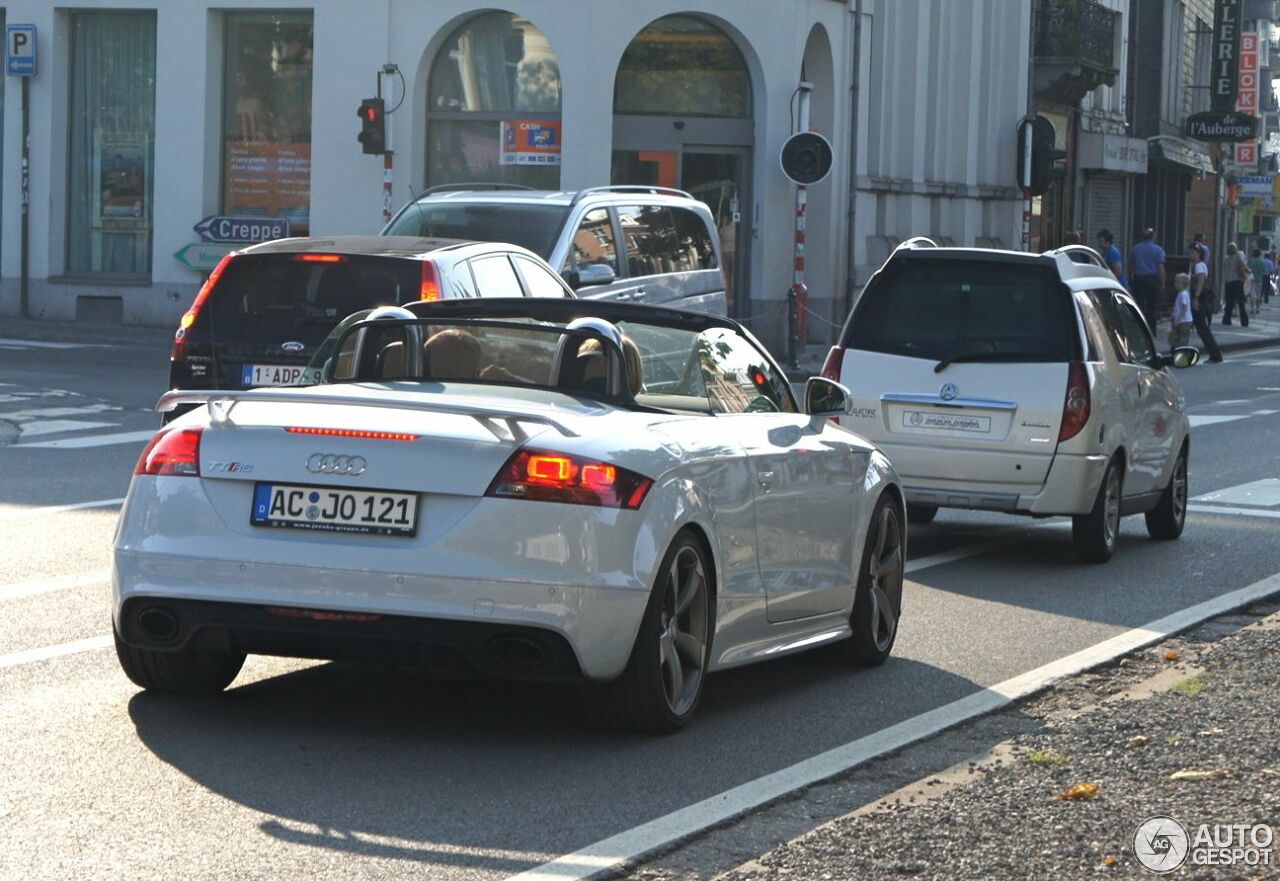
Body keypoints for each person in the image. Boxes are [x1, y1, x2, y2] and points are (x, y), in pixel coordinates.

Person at [1190, 244, 1223, 362]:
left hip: (1200, 301)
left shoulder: (1199, 266)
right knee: (1202, 329)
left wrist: (1195, 298)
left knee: (1202, 329)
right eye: (1190, 252)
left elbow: (1200, 282)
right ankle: (1215, 354)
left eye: (1193, 253)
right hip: (1202, 300)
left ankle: (1215, 355)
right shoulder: (1199, 265)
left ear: (1199, 254)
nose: (1191, 255)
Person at [1129, 228, 1166, 330]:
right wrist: (1162, 283)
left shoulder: (1135, 249)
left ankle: (1138, 329)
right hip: (1152, 280)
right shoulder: (1158, 250)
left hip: (1139, 279)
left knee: (1138, 305)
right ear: (1153, 237)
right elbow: (1160, 268)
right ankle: (1151, 331)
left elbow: (1133, 266)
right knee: (1152, 307)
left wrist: (1132, 278)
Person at [1221, 242, 1250, 327]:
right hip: (1237, 282)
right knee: (1241, 303)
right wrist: (1247, 275)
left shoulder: (1226, 259)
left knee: (1229, 302)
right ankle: (1244, 322)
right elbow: (1243, 267)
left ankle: (1226, 319)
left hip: (1228, 283)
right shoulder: (1237, 257)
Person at [1168, 273, 1194, 351]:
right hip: (1182, 320)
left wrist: (1178, 319)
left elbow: (1184, 308)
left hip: (1183, 321)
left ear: (1183, 284)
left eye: (1177, 283)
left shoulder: (1183, 294)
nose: (1175, 284)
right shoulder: (1182, 294)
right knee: (1176, 337)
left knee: (1182, 339)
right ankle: (1176, 349)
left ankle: (1180, 351)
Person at [1247, 248, 1267, 316]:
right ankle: (1258, 308)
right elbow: (1264, 270)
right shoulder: (1261, 261)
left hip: (1251, 279)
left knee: (1252, 294)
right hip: (1259, 279)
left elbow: (1247, 268)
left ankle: (1252, 308)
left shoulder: (1250, 260)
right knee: (1258, 294)